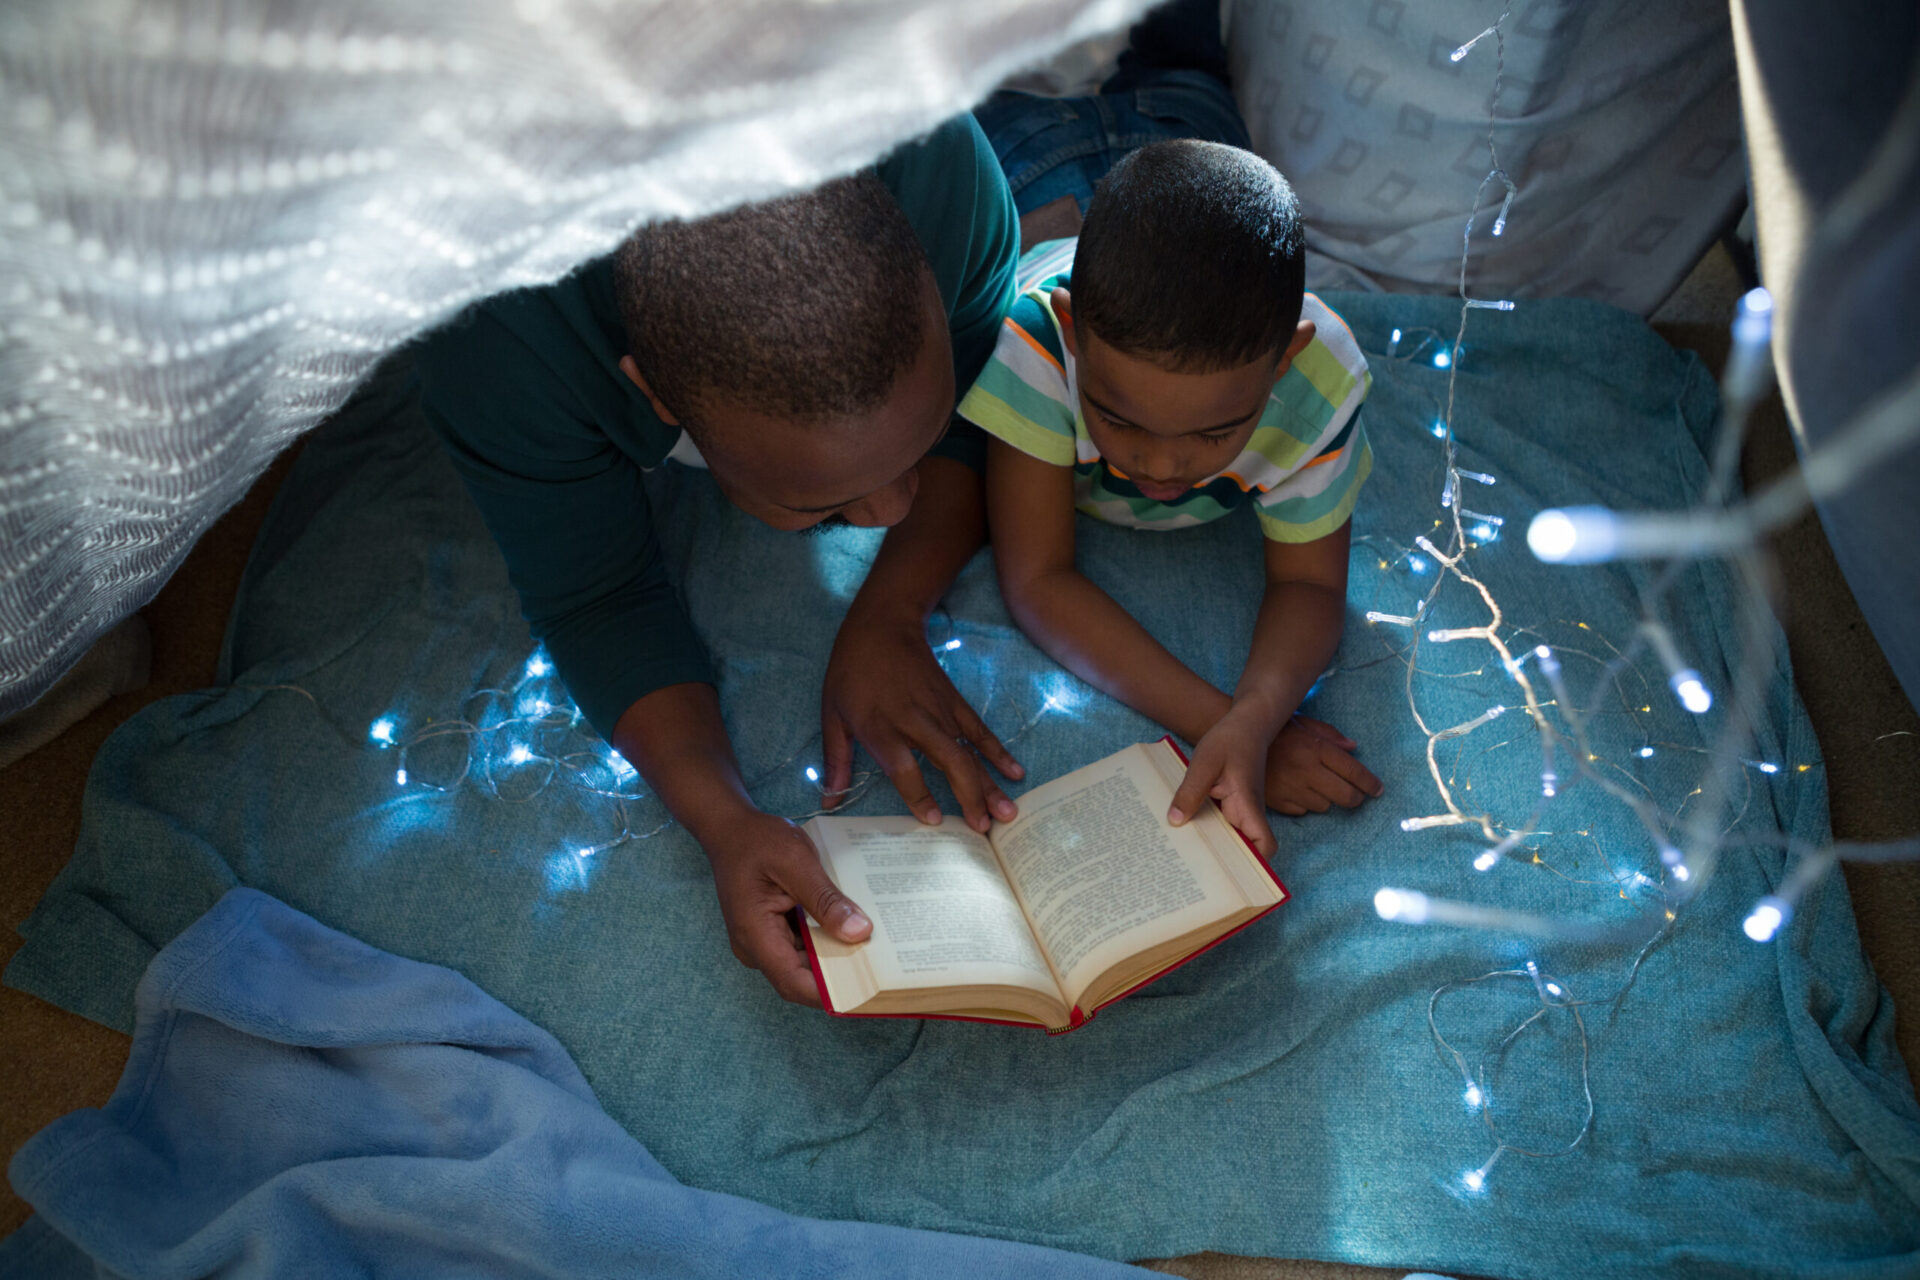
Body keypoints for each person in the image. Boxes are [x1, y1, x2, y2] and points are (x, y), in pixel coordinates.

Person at [416, 117, 1024, 1008]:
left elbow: (990, 387)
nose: (895, 512)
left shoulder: (943, 166)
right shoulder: (500, 336)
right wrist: (724, 820)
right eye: (822, 506)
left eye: (915, 448)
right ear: (653, 394)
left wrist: (894, 605)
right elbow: (596, 595)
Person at [957, 133, 1385, 859]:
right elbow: (1036, 579)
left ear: (1286, 360)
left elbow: (1312, 583)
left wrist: (1253, 720)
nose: (1159, 464)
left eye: (1218, 431)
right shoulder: (1033, 341)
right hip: (1046, 164)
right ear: (1072, 333)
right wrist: (1236, 730)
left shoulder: (1322, 382)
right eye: (1117, 418)